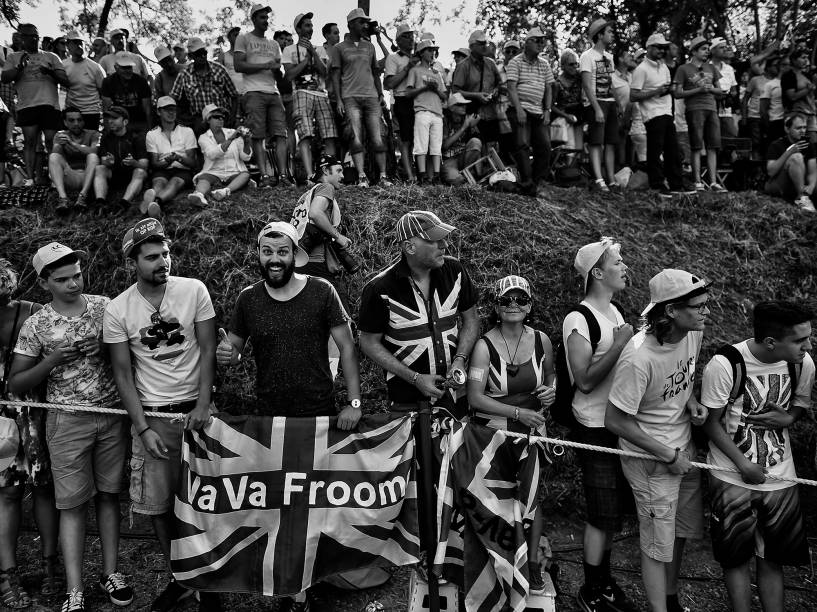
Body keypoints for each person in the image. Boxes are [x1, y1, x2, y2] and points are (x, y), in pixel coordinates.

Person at [215, 220, 360, 611]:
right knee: (279, 505)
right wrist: (226, 356)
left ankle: (310, 581)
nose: (274, 259)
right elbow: (235, 351)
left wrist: (355, 402)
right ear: (259, 255)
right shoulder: (247, 300)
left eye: (281, 252)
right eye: (267, 252)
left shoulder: (322, 291)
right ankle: (287, 585)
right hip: (271, 420)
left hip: (318, 416)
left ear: (294, 255)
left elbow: (347, 347)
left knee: (314, 505)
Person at [103, 217, 219, 612]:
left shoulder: (194, 290)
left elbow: (207, 350)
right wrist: (142, 427)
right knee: (158, 507)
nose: (162, 262)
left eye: (166, 253)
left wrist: (204, 405)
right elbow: (122, 373)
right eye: (152, 256)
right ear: (133, 261)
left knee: (207, 502)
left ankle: (210, 584)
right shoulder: (119, 309)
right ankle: (180, 578)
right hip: (153, 417)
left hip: (197, 414)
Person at [9, 243, 131, 612]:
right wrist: (52, 361)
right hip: (66, 421)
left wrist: (105, 349)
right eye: (62, 280)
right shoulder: (37, 324)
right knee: (73, 505)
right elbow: (16, 383)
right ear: (44, 283)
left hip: (112, 415)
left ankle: (111, 572)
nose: (74, 283)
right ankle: (74, 590)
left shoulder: (105, 306)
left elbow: (129, 355)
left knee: (110, 496)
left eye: (77, 274)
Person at [605, 269, 710, 612]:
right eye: (699, 306)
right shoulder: (638, 357)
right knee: (655, 545)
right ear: (671, 311)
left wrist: (691, 401)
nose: (706, 312)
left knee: (677, 533)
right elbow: (615, 420)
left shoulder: (693, 332)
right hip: (652, 462)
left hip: (684, 450)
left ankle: (670, 598)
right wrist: (667, 454)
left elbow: (683, 376)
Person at [700, 301, 813, 612]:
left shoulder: (803, 364)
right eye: (800, 340)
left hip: (780, 477)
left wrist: (789, 419)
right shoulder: (726, 364)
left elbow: (800, 404)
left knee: (773, 559)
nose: (808, 346)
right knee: (735, 559)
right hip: (731, 476)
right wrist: (743, 465)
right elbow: (710, 422)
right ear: (771, 342)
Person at [466, 274, 555, 594]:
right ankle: (496, 561)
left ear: (530, 305)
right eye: (506, 300)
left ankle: (531, 563)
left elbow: (552, 376)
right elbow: (475, 397)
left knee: (530, 497)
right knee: (496, 500)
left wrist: (550, 392)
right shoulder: (483, 346)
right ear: (497, 306)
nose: (513, 305)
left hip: (531, 432)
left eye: (520, 299)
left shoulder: (542, 341)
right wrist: (518, 413)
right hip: (493, 435)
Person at [562, 238, 637, 612]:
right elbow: (585, 380)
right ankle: (591, 589)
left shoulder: (617, 311)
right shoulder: (579, 319)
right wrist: (623, 342)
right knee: (600, 511)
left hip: (619, 423)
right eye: (618, 262)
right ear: (597, 272)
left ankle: (604, 580)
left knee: (613, 513)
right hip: (594, 425)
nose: (625, 267)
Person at [359, 210, 479, 416]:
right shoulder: (379, 288)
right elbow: (368, 342)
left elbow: (471, 320)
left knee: (456, 447)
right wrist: (415, 378)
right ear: (409, 247)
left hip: (456, 395)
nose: (444, 245)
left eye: (444, 239)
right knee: (415, 449)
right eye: (435, 240)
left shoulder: (455, 270)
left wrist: (460, 359)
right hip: (407, 401)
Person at [0, 259, 61, 611]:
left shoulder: (34, 312)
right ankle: (8, 575)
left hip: (35, 413)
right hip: (1, 422)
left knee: (45, 489)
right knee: (6, 494)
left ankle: (51, 567)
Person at [329, 8, 392, 187]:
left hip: (372, 97)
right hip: (350, 98)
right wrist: (339, 100)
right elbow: (335, 75)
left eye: (366, 22)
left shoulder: (369, 46)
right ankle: (362, 176)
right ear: (350, 24)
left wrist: (380, 93)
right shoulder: (339, 48)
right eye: (360, 22)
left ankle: (383, 176)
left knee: (378, 137)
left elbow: (375, 72)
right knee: (355, 138)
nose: (365, 25)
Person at [1, 23, 68, 185]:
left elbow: (66, 81)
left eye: (35, 36)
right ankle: (30, 179)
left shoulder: (51, 56)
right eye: (28, 36)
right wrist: (20, 67)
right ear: (21, 38)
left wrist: (50, 72)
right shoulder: (13, 57)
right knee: (30, 142)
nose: (33, 39)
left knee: (52, 141)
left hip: (50, 105)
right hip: (27, 105)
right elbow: (5, 78)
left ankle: (55, 177)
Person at [234, 3, 290, 188]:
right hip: (253, 92)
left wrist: (276, 70)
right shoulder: (243, 39)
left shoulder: (274, 44)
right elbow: (238, 65)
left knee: (281, 134)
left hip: (273, 92)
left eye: (267, 17)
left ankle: (283, 176)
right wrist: (265, 65)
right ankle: (265, 177)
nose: (266, 21)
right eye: (262, 17)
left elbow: (279, 76)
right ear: (254, 19)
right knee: (258, 136)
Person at [282, 12, 338, 184]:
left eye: (311, 25)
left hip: (321, 94)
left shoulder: (320, 49)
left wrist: (312, 51)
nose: (310, 28)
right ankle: (309, 176)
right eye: (307, 25)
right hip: (300, 93)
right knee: (305, 135)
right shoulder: (289, 49)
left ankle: (331, 175)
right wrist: (305, 62)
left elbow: (325, 73)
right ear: (298, 29)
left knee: (329, 135)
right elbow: (289, 75)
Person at [630, 33, 686, 195]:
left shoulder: (664, 68)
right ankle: (656, 184)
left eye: (664, 48)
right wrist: (655, 92)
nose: (662, 51)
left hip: (667, 112)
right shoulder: (641, 70)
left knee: (672, 150)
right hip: (652, 114)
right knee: (655, 150)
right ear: (649, 48)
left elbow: (667, 90)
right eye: (659, 47)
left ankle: (676, 184)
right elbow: (633, 96)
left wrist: (669, 90)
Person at [673, 37, 725, 192]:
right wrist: (698, 90)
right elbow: (677, 93)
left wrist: (710, 89)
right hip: (694, 109)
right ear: (694, 51)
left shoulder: (711, 68)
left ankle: (713, 182)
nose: (706, 52)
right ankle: (697, 182)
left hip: (712, 108)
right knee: (696, 146)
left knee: (712, 146)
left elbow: (720, 91)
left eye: (708, 49)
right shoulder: (683, 69)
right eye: (703, 49)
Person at [506, 27, 553, 189]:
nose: (542, 44)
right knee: (522, 145)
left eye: (543, 41)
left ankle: (537, 182)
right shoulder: (515, 62)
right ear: (528, 42)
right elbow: (511, 87)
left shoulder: (544, 64)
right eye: (538, 41)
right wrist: (519, 109)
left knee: (545, 146)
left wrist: (547, 110)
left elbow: (549, 88)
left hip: (538, 111)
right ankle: (527, 182)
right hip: (520, 108)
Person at [580, 18, 619, 192]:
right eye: (609, 32)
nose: (612, 35)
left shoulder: (609, 57)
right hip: (596, 103)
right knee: (596, 142)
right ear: (600, 35)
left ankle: (611, 180)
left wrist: (618, 103)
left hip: (610, 103)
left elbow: (612, 82)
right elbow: (587, 85)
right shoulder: (587, 56)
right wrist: (596, 108)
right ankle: (598, 178)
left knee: (610, 142)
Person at [143, 96, 198, 216]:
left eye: (173, 109)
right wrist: (167, 161)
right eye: (167, 110)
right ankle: (151, 200)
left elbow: (192, 163)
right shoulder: (152, 134)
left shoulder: (187, 131)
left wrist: (178, 158)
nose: (171, 113)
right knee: (158, 183)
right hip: (162, 168)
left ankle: (156, 202)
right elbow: (154, 163)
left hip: (182, 170)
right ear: (158, 112)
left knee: (174, 182)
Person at [169, 37, 238, 134]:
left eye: (204, 52)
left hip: (221, 117)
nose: (202, 56)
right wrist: (182, 120)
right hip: (199, 121)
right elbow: (173, 99)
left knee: (226, 147)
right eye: (198, 54)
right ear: (191, 56)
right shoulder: (184, 75)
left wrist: (232, 117)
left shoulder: (219, 70)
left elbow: (234, 95)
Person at [189, 104, 252, 205]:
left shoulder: (232, 132)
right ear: (208, 120)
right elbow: (213, 154)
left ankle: (224, 191)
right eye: (216, 117)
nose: (221, 119)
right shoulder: (203, 137)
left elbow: (245, 157)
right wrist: (231, 139)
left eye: (222, 117)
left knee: (245, 175)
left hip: (233, 172)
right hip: (214, 172)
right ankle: (199, 195)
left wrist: (247, 142)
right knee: (204, 178)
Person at [451, 30, 502, 151]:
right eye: (481, 43)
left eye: (486, 43)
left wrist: (495, 91)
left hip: (491, 113)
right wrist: (476, 95)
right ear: (472, 46)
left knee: (493, 149)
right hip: (473, 115)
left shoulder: (491, 63)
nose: (485, 46)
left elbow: (500, 83)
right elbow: (456, 91)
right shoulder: (463, 66)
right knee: (476, 147)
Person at [405, 39, 447, 184]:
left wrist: (434, 88)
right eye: (429, 50)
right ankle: (422, 177)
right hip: (422, 111)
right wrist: (424, 88)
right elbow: (408, 93)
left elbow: (444, 96)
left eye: (433, 50)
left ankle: (436, 176)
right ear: (421, 53)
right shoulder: (415, 70)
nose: (432, 53)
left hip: (437, 113)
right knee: (421, 145)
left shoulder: (437, 73)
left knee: (436, 146)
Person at [92, 106, 148, 210]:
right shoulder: (106, 137)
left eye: (115, 118)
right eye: (109, 118)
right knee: (99, 168)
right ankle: (100, 202)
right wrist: (109, 162)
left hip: (132, 175)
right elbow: (103, 161)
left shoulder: (136, 137)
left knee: (140, 171)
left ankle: (124, 204)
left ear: (125, 122)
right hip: (114, 174)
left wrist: (134, 162)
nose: (110, 121)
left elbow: (144, 165)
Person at [49, 107, 100, 213]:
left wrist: (72, 143)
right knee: (53, 156)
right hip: (70, 176)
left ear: (83, 121)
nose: (76, 123)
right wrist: (57, 145)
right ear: (65, 122)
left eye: (79, 120)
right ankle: (63, 198)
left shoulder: (93, 134)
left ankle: (83, 197)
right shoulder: (61, 135)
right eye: (71, 120)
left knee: (93, 156)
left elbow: (94, 151)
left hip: (89, 176)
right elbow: (55, 158)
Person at [384, 24, 419, 182]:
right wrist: (407, 69)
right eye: (406, 36)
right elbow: (389, 83)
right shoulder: (393, 58)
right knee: (405, 140)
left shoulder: (419, 57)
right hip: (402, 99)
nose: (411, 39)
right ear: (398, 40)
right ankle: (409, 175)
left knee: (416, 139)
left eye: (412, 35)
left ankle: (416, 172)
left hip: (419, 101)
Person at [764, 113, 816, 211]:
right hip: (778, 184)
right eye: (798, 128)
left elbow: (813, 171)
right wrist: (789, 152)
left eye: (804, 127)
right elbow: (771, 172)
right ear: (787, 129)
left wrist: (811, 186)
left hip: (799, 184)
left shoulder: (809, 145)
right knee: (796, 157)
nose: (802, 131)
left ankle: (803, 196)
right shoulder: (776, 145)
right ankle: (802, 199)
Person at [62, 30, 106, 131]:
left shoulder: (95, 67)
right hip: (72, 112)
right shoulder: (63, 65)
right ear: (68, 46)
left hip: (91, 112)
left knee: (91, 142)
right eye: (75, 43)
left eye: (80, 42)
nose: (79, 46)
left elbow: (103, 93)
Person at [101, 53, 152, 136]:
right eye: (124, 68)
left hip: (139, 121)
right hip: (119, 121)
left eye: (129, 67)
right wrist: (108, 130)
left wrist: (149, 130)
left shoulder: (141, 81)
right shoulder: (108, 82)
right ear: (116, 68)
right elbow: (106, 108)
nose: (128, 71)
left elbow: (147, 108)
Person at [441, 92, 482, 185]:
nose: (464, 107)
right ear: (451, 108)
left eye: (465, 104)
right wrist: (464, 127)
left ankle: (467, 173)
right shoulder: (445, 121)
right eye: (460, 105)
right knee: (458, 181)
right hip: (448, 160)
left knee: (476, 141)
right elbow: (444, 146)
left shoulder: (467, 119)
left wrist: (472, 126)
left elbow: (476, 145)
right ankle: (464, 177)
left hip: (463, 158)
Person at [781, 49, 816, 145]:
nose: (806, 60)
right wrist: (808, 89)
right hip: (796, 113)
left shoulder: (807, 75)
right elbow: (792, 97)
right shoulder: (788, 76)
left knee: (813, 142)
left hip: (810, 113)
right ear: (794, 60)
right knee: (798, 143)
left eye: (807, 58)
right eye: (803, 58)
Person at [552, 50, 584, 152]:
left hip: (579, 116)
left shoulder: (580, 78)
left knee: (579, 149)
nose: (574, 66)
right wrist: (566, 116)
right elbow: (551, 106)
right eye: (571, 64)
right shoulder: (557, 83)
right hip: (565, 117)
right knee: (569, 149)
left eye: (576, 64)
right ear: (563, 66)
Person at [709, 38, 738, 138]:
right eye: (721, 47)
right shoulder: (705, 67)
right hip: (711, 111)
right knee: (713, 141)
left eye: (725, 47)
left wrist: (729, 95)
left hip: (726, 112)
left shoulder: (729, 69)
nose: (725, 49)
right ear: (712, 50)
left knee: (731, 139)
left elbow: (734, 90)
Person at [759, 57, 785, 149]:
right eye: (785, 65)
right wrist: (768, 125)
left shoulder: (793, 83)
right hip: (775, 121)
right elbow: (763, 109)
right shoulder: (770, 84)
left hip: (791, 121)